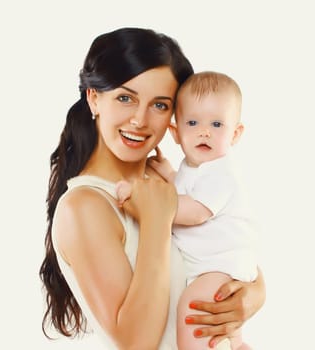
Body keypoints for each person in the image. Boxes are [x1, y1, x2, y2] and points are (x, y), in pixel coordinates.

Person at [39, 27, 266, 350]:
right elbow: (137, 343)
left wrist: (254, 292)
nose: (140, 120)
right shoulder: (85, 206)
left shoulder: (167, 186)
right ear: (94, 98)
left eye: (160, 105)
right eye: (125, 98)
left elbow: (224, 248)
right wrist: (158, 219)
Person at [116, 71, 257, 350]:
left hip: (221, 266)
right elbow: (184, 192)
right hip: (211, 265)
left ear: (236, 133)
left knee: (194, 313)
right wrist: (169, 176)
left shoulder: (222, 171)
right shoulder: (195, 168)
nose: (205, 131)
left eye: (217, 124)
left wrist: (143, 200)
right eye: (193, 122)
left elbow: (195, 211)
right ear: (176, 133)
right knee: (227, 334)